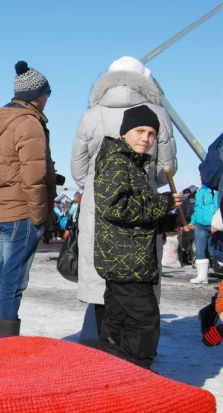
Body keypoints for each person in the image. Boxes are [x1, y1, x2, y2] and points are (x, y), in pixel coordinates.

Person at [70, 56, 177, 347]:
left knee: (101, 284)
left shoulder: (91, 114)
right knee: (137, 285)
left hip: (97, 206)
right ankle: (135, 355)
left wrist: (97, 186)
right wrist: (141, 184)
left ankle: (101, 347)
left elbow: (78, 169)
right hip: (141, 209)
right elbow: (167, 168)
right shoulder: (158, 113)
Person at [94, 105, 183, 369]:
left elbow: (134, 212)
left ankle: (115, 372)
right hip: (127, 260)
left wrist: (169, 220)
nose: (146, 138)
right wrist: (163, 202)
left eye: (152, 133)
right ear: (125, 132)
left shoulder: (130, 162)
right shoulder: (117, 161)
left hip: (128, 257)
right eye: (140, 131)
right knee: (143, 320)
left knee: (119, 318)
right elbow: (115, 206)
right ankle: (137, 374)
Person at [0, 60, 56, 337]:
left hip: (1, 208)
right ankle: (5, 341)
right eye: (48, 93)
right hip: (21, 211)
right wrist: (40, 216)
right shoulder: (28, 123)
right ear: (38, 96)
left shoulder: (2, 121)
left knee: (5, 277)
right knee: (14, 280)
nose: (48, 99)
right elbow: (33, 174)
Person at [184, 177, 218, 284]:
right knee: (199, 250)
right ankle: (202, 276)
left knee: (214, 251)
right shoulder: (199, 191)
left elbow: (218, 207)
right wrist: (193, 222)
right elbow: (197, 208)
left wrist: (216, 223)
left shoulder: (215, 190)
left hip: (213, 224)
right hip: (200, 224)